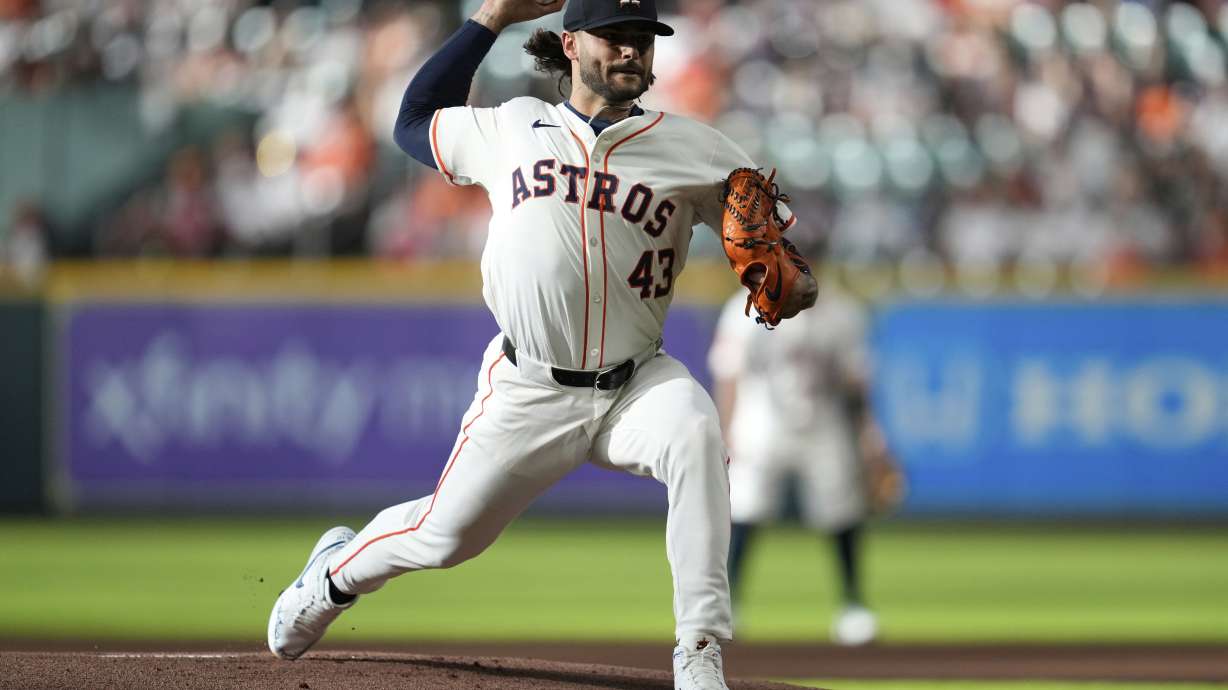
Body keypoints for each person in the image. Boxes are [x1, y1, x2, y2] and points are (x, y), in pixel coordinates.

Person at [265, 1, 818, 688]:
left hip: (637, 383)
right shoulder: (514, 126)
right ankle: (335, 575)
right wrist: (489, 19)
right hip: (530, 388)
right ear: (570, 44)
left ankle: (699, 649)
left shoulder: (699, 150)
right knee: (444, 537)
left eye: (643, 38)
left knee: (696, 432)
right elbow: (411, 122)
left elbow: (778, 250)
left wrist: (785, 273)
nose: (630, 51)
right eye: (614, 37)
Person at [708, 275, 892, 646]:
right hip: (761, 415)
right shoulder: (744, 307)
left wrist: (868, 434)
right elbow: (729, 375)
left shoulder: (841, 312)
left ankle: (853, 606)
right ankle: (727, 608)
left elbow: (855, 382)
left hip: (822, 416)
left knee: (842, 509)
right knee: (746, 508)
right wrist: (724, 430)